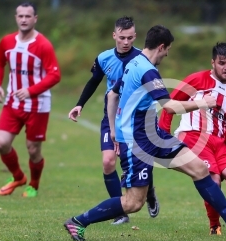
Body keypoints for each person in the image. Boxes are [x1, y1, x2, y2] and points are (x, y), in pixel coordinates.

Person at [63, 25, 226, 241]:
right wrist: (201, 103)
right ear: (161, 47)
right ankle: (78, 222)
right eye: (167, 50)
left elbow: (112, 95)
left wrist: (113, 129)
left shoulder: (133, 62)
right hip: (137, 141)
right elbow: (168, 106)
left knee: (198, 168)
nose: (167, 54)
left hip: (152, 134)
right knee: (133, 203)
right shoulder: (148, 70)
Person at [159, 42, 226, 235]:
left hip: (218, 143)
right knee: (214, 179)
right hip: (194, 136)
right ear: (213, 63)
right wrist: (163, 135)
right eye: (222, 63)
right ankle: (214, 225)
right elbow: (170, 105)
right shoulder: (196, 80)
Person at [67, 16, 159, 225]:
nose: (126, 42)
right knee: (108, 162)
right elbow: (94, 81)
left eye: (130, 38)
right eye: (122, 37)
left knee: (139, 160)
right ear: (114, 35)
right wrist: (80, 104)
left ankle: (149, 193)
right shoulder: (104, 58)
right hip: (111, 118)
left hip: (136, 121)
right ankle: (121, 213)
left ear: (135, 36)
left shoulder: (142, 60)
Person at [0, 2, 61, 198]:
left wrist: (31, 91)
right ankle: (18, 176)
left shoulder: (43, 45)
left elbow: (54, 75)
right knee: (1, 142)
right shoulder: (6, 42)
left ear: (35, 19)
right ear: (16, 17)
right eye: (20, 16)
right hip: (12, 103)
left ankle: (34, 184)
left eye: (28, 16)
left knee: (33, 150)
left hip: (37, 106)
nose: (23, 19)